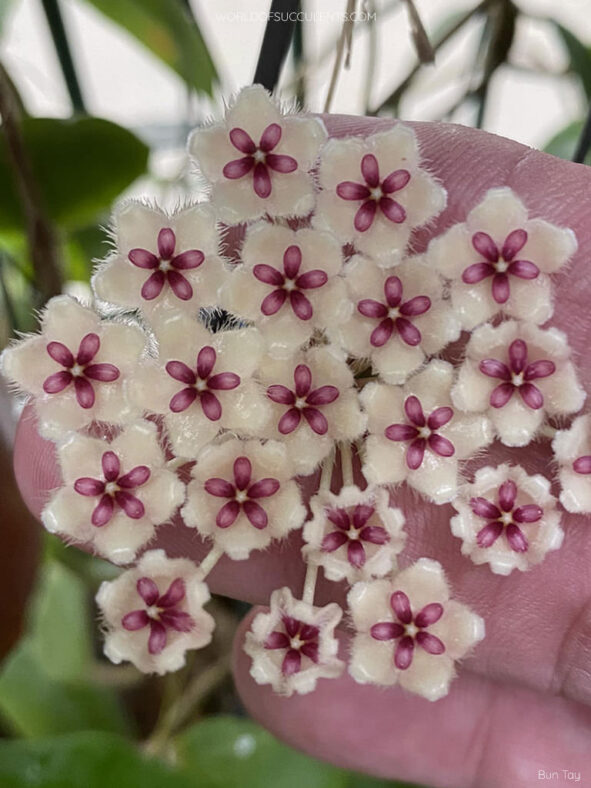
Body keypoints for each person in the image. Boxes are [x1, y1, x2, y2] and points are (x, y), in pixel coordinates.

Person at [11, 117, 591, 788]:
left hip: (346, 386)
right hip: (317, 391)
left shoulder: (390, 387)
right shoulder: (245, 382)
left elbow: (349, 406)